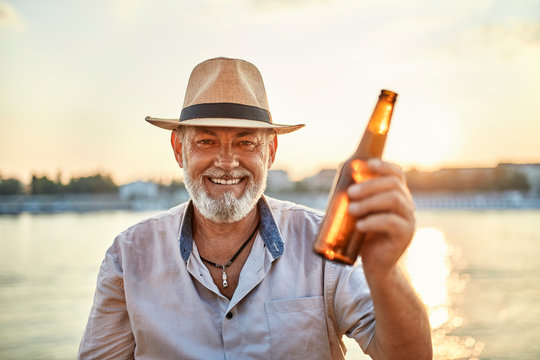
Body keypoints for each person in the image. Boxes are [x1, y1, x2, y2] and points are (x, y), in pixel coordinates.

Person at [78, 57, 432, 359]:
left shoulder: (322, 246)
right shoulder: (129, 256)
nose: (228, 161)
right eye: (205, 141)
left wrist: (385, 271)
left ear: (271, 151)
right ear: (178, 149)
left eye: (246, 142)